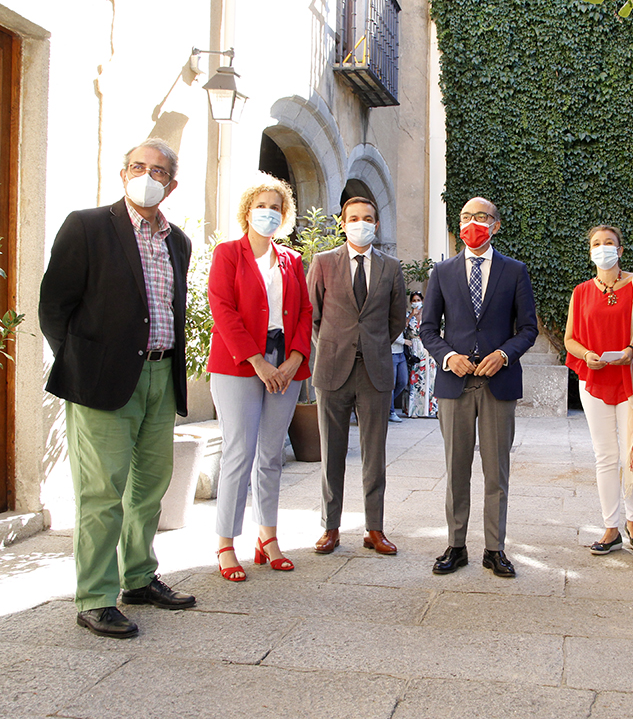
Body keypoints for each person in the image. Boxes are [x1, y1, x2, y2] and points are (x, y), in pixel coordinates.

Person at [38, 138, 195, 638]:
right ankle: (96, 596)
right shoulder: (86, 226)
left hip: (160, 375)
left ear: (171, 184)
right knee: (102, 492)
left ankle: (139, 577)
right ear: (123, 172)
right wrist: (84, 362)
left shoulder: (179, 242)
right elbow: (54, 307)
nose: (145, 175)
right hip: (103, 380)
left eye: (157, 170)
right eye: (137, 167)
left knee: (150, 487)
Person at [420, 197, 538, 578]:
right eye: (467, 217)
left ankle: (494, 548)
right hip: (454, 383)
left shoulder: (515, 271)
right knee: (456, 468)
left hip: (497, 384)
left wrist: (504, 354)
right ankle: (456, 545)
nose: (474, 223)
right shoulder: (441, 271)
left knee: (496, 470)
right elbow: (427, 329)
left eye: (482, 217)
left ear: (496, 225)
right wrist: (447, 355)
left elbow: (528, 329)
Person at [206, 175, 312, 581]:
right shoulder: (229, 254)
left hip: (286, 363)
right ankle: (225, 543)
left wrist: (293, 359)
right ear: (247, 211)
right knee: (239, 453)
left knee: (271, 455)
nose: (268, 213)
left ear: (283, 216)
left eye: (276, 207)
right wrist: (258, 362)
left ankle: (267, 538)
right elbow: (224, 310)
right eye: (261, 205)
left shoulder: (291, 261)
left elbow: (304, 313)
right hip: (239, 365)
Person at [307, 196, 407, 556]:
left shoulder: (391, 267)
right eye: (353, 218)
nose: (360, 223)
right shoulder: (322, 263)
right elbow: (312, 315)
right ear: (343, 223)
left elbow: (397, 319)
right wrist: (334, 346)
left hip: (375, 371)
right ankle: (330, 528)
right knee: (331, 452)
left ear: (376, 225)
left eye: (367, 218)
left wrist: (373, 344)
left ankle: (374, 528)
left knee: (374, 455)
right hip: (333, 370)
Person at [563, 225, 633, 554]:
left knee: (631, 452)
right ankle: (610, 526)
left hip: (630, 377)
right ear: (589, 250)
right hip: (594, 381)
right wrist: (587, 355)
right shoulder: (581, 292)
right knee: (605, 456)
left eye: (609, 243)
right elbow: (570, 340)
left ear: (620, 250)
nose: (602, 248)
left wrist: (632, 350)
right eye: (596, 243)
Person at [406, 291, 438, 418]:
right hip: (414, 348)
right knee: (415, 378)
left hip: (426, 347)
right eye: (413, 300)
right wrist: (411, 316)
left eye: (418, 300)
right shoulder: (408, 315)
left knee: (430, 378)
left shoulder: (427, 315)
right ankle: (414, 410)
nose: (416, 302)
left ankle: (432, 409)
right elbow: (401, 328)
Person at [389, 331, 408, 423]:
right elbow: (391, 334)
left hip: (401, 353)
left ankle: (387, 404)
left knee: (403, 381)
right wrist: (404, 341)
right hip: (391, 353)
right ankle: (391, 412)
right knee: (391, 384)